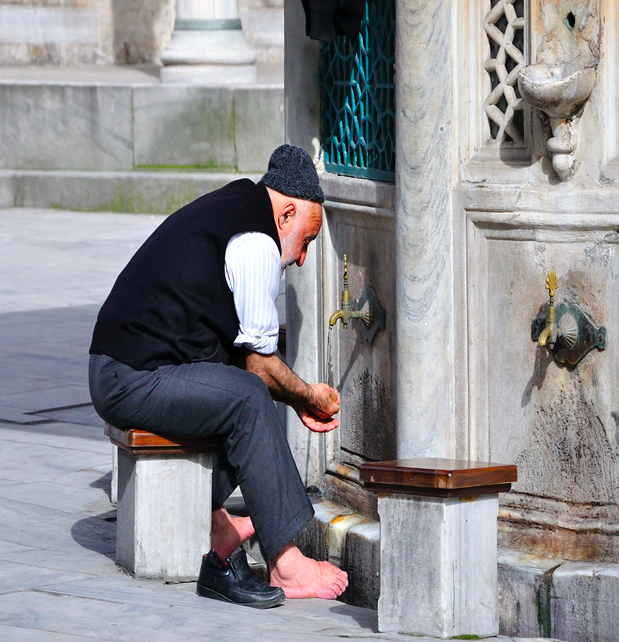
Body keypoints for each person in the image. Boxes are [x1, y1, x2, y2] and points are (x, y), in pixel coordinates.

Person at [89, 144, 348, 608]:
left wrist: (296, 397)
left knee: (238, 388)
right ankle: (287, 562)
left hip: (128, 368)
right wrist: (307, 395)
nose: (303, 258)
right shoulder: (256, 240)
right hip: (127, 377)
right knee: (249, 395)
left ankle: (212, 521)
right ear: (286, 214)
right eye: (306, 241)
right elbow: (260, 367)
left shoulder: (235, 208)